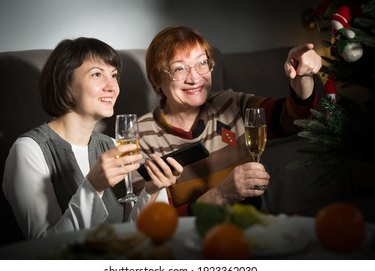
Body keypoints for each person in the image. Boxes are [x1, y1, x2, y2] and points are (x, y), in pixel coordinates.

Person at [133, 25, 322, 216]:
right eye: (179, 68)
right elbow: (152, 217)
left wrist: (303, 76)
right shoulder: (140, 135)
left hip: (250, 226)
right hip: (189, 238)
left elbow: (294, 118)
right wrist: (219, 196)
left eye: (202, 63)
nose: (195, 78)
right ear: (155, 78)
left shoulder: (230, 103)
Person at [2, 37, 166, 239]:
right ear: (65, 84)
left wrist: (151, 191)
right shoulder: (28, 150)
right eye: (97, 74)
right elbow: (44, 248)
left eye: (114, 75)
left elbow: (127, 233)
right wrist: (93, 188)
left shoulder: (112, 145)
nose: (112, 87)